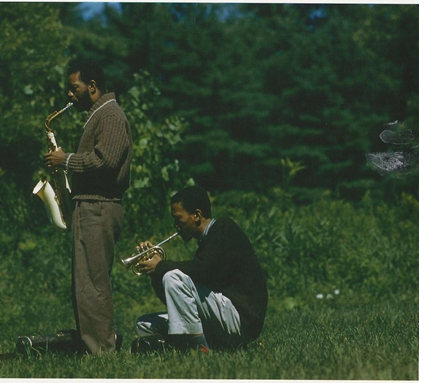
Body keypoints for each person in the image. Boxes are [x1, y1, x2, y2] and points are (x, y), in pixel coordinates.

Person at [41, 60, 132, 356]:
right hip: (90, 207)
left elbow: (105, 161)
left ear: (92, 87)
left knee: (93, 284)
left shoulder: (111, 116)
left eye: (74, 88)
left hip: (99, 208)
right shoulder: (99, 116)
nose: (69, 95)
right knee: (85, 284)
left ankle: (102, 353)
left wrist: (66, 160)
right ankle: (93, 348)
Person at [131, 185, 269, 352]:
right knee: (144, 324)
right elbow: (177, 301)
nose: (176, 226)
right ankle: (192, 343)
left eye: (178, 219)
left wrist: (161, 266)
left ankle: (196, 348)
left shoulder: (224, 228)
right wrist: (153, 270)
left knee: (173, 277)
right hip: (222, 318)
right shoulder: (206, 241)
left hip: (241, 320)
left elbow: (204, 271)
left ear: (196, 215)